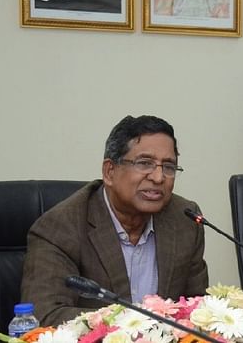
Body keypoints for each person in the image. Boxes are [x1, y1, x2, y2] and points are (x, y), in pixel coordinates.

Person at [21, 115, 208, 326]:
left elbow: (198, 309)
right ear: (110, 171)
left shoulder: (185, 219)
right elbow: (45, 316)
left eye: (168, 167)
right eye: (145, 163)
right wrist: (135, 326)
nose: (158, 177)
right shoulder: (60, 228)